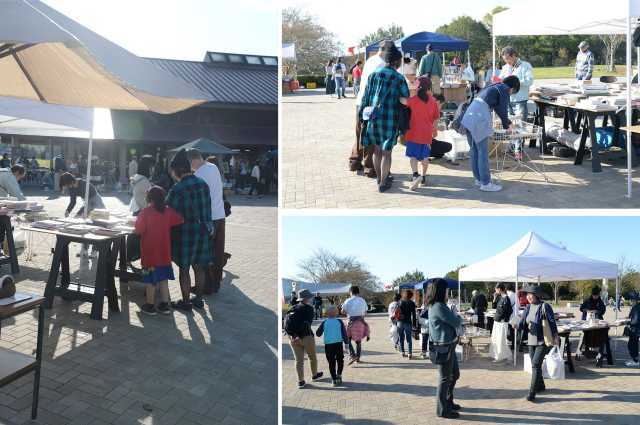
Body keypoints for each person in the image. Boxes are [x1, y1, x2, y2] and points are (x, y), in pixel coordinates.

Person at [359, 44, 409, 193]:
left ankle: (379, 179)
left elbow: (365, 97)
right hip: (390, 119)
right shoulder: (399, 78)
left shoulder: (373, 75)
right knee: (387, 152)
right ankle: (383, 182)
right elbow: (405, 99)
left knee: (376, 150)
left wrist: (362, 116)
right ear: (396, 61)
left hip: (373, 117)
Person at [166, 149, 212, 312]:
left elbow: (167, 211)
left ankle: (186, 302)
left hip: (185, 234)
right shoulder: (203, 184)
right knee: (199, 267)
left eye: (173, 171)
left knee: (184, 269)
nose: (172, 174)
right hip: (203, 231)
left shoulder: (178, 189)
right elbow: (208, 208)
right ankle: (198, 300)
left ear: (178, 170)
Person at [461, 75, 520, 192]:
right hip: (479, 118)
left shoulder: (495, 86)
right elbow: (503, 110)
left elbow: (498, 108)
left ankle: (479, 179)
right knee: (482, 152)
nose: (511, 94)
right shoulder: (504, 89)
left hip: (469, 116)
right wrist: (508, 126)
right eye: (513, 92)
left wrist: (507, 122)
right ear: (512, 88)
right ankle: (486, 183)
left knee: (474, 151)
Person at [134, 186, 184, 315]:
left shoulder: (145, 212)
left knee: (150, 280)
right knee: (163, 279)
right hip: (164, 253)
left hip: (150, 253)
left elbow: (138, 230)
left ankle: (150, 305)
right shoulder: (168, 211)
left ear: (149, 198)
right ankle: (165, 305)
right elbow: (180, 219)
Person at [350, 40, 394, 177]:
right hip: (370, 103)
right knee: (371, 136)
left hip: (360, 101)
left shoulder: (370, 60)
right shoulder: (381, 64)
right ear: (387, 50)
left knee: (359, 133)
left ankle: (354, 162)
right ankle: (370, 167)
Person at [187, 149, 226, 295]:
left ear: (193, 161)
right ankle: (215, 284)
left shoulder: (198, 174)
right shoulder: (213, 167)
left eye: (190, 164)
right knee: (218, 252)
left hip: (208, 218)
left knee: (206, 254)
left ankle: (206, 286)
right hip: (220, 215)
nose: (190, 167)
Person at [426, 278, 462, 419]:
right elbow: (456, 322)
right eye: (447, 290)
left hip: (447, 345)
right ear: (441, 291)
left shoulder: (437, 305)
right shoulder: (439, 306)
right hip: (443, 347)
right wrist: (457, 316)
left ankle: (448, 402)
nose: (448, 292)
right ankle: (442, 410)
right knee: (445, 378)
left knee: (454, 375)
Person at [517, 284, 559, 402]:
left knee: (535, 365)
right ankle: (541, 385)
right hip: (530, 341)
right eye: (528, 294)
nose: (529, 297)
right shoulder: (528, 307)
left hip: (542, 341)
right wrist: (516, 325)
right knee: (535, 365)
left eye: (531, 294)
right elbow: (522, 323)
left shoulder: (545, 306)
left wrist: (555, 335)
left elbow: (552, 322)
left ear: (537, 295)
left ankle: (532, 392)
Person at [405, 76, 440, 190]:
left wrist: (398, 96)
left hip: (413, 132)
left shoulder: (413, 99)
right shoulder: (433, 101)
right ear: (429, 88)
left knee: (413, 156)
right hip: (427, 133)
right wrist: (434, 130)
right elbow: (436, 118)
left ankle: (415, 175)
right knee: (425, 156)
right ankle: (423, 177)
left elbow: (404, 102)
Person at [286, 289, 323, 388]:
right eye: (309, 297)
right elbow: (309, 322)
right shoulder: (309, 309)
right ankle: (314, 375)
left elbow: (286, 324)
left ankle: (301, 381)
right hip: (306, 336)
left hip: (293, 338)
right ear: (306, 298)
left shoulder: (292, 308)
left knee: (298, 360)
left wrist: (294, 335)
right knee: (312, 357)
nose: (311, 299)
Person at [316, 304, 348, 386]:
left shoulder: (324, 322)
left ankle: (334, 379)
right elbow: (344, 333)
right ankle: (339, 375)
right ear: (336, 313)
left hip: (328, 345)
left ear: (327, 313)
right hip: (338, 344)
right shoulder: (339, 321)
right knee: (340, 360)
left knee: (331, 362)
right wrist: (346, 343)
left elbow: (318, 334)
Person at [499, 46, 534, 121]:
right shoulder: (505, 67)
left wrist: (515, 83)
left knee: (520, 125)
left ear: (514, 55)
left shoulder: (525, 66)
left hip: (520, 100)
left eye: (507, 58)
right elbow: (500, 79)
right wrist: (497, 80)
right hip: (507, 100)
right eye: (504, 59)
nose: (506, 61)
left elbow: (530, 81)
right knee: (509, 125)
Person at [341, 285, 369, 364]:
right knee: (358, 341)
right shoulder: (362, 300)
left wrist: (348, 312)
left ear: (351, 292)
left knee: (347, 340)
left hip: (351, 322)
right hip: (360, 322)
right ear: (358, 292)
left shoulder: (348, 300)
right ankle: (358, 358)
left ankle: (353, 355)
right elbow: (365, 312)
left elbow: (342, 311)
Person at [491, 283, 513, 362]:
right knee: (496, 339)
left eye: (496, 289)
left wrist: (504, 318)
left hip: (502, 322)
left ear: (499, 289)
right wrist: (494, 298)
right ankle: (498, 355)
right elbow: (494, 307)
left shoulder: (506, 298)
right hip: (497, 321)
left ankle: (502, 356)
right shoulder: (499, 297)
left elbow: (509, 311)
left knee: (501, 340)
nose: (495, 291)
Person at [397, 289, 417, 359]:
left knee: (401, 337)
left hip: (400, 322)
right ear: (411, 295)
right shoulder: (412, 303)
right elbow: (414, 314)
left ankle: (403, 352)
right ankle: (409, 353)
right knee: (409, 338)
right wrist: (414, 324)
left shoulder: (400, 302)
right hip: (408, 322)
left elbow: (397, 312)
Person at [625, 294, 640, 367]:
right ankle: (634, 359)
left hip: (635, 330)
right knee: (631, 344)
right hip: (635, 329)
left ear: (634, 300)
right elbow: (633, 317)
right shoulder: (635, 307)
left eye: (631, 300)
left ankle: (635, 361)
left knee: (633, 345)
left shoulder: (636, 308)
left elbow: (635, 320)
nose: (630, 301)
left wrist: (627, 322)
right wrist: (627, 318)